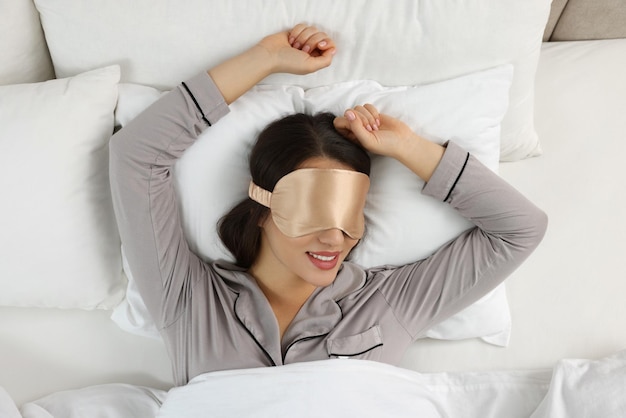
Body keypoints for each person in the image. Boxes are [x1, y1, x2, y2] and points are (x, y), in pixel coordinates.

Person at [109, 24, 548, 386]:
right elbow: (135, 156)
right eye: (314, 213)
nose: (334, 238)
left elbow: (520, 229)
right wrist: (264, 59)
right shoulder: (188, 297)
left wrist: (408, 147)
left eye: (347, 216)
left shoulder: (390, 302)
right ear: (262, 206)